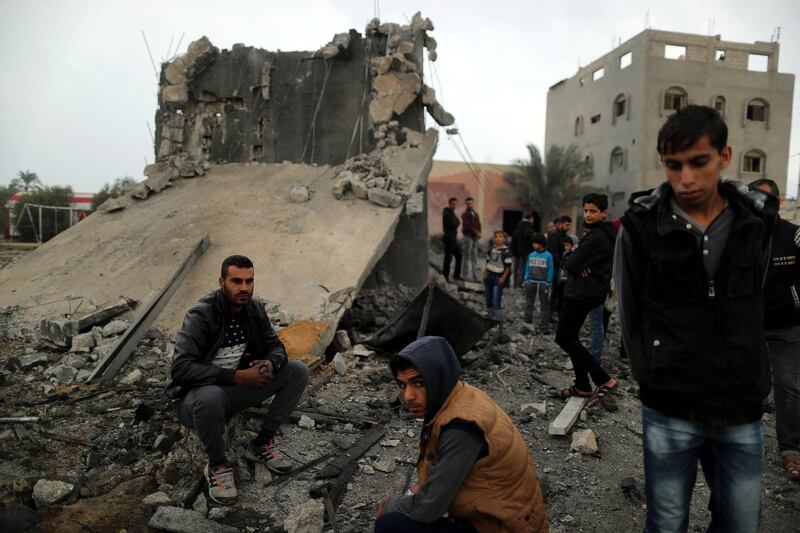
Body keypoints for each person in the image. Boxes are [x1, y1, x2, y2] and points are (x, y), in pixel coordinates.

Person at [616, 105, 777, 531]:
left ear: (724, 157)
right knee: (667, 522)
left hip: (740, 409)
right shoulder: (640, 225)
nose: (686, 178)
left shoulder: (757, 220)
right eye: (674, 165)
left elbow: (757, 300)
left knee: (742, 523)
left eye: (698, 162)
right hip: (670, 408)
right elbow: (629, 310)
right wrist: (650, 373)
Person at [166, 255, 309, 505]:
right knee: (209, 396)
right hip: (196, 400)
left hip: (235, 391)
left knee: (297, 370)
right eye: (236, 281)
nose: (244, 288)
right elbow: (180, 369)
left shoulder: (254, 309)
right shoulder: (201, 314)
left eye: (249, 281)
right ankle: (218, 466)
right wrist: (237, 375)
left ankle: (261, 444)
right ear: (222, 282)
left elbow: (276, 347)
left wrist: (269, 363)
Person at [374, 336, 548, 532]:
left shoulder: (461, 426)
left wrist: (393, 505)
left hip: (503, 526)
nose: (407, 396)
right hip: (499, 515)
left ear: (439, 377)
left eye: (419, 383)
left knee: (389, 525)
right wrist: (422, 487)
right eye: (403, 385)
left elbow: (428, 509)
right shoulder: (460, 394)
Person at [751, 177, 800, 482]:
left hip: (787, 327)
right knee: (751, 386)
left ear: (778, 203)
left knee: (789, 388)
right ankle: (744, 445)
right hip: (750, 328)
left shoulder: (794, 236)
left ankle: (791, 449)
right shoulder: (739, 237)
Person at [555, 194, 617, 406]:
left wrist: (575, 259)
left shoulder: (598, 237)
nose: (588, 215)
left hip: (582, 294)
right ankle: (582, 385)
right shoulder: (596, 234)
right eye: (586, 210)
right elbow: (572, 261)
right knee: (571, 337)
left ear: (604, 213)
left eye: (593, 211)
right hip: (585, 292)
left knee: (564, 337)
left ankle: (604, 379)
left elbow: (570, 264)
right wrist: (575, 260)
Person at [523, 233, 554, 332]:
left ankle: (544, 326)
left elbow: (550, 269)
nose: (534, 245)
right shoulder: (531, 255)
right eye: (533, 243)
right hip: (531, 282)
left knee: (544, 305)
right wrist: (526, 279)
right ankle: (527, 324)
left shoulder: (548, 256)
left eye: (536, 243)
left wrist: (548, 281)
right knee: (529, 303)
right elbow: (527, 267)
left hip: (543, 283)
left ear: (542, 244)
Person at [482, 230, 512, 319]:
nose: (497, 238)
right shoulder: (491, 250)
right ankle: (490, 314)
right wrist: (485, 273)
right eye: (496, 237)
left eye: (500, 236)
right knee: (488, 296)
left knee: (496, 298)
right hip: (489, 276)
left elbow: (508, 267)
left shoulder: (506, 252)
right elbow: (487, 262)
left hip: (498, 278)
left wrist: (503, 278)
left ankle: (497, 318)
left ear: (504, 239)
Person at [546, 216, 572, 323]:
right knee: (555, 293)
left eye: (569, 225)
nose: (568, 227)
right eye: (567, 225)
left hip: (563, 269)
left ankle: (558, 314)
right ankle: (551, 314)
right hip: (557, 269)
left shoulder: (565, 236)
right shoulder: (554, 236)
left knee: (562, 293)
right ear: (560, 224)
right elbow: (553, 253)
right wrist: (562, 263)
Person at [511, 213, 536, 288]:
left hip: (516, 251)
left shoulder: (518, 226)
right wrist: (534, 235)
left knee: (516, 268)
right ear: (530, 219)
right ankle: (519, 285)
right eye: (532, 219)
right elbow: (527, 234)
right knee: (523, 268)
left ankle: (515, 284)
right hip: (525, 251)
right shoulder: (527, 226)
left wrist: (513, 250)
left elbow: (514, 239)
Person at [460, 197, 482, 282]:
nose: (469, 204)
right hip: (467, 237)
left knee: (475, 258)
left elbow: (479, 224)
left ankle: (476, 278)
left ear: (473, 203)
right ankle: (465, 276)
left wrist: (479, 234)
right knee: (466, 257)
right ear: (466, 204)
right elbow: (468, 226)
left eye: (471, 203)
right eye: (468, 203)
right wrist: (477, 233)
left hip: (474, 238)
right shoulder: (464, 214)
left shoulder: (475, 213)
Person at [442, 197, 463, 282]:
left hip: (453, 238)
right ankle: (445, 276)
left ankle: (456, 275)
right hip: (448, 237)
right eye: (453, 204)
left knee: (459, 256)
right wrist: (455, 223)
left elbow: (457, 222)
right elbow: (454, 224)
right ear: (449, 204)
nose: (454, 205)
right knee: (448, 258)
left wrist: (456, 222)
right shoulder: (447, 213)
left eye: (455, 204)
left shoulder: (452, 213)